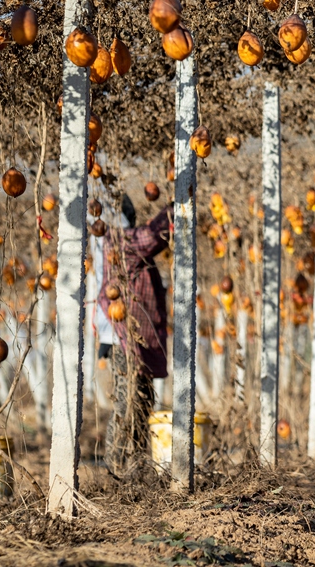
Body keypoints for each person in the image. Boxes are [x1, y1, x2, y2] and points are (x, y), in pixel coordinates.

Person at [97, 194, 172, 473]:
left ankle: (136, 466)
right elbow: (150, 238)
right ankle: (117, 467)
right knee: (127, 402)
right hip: (126, 340)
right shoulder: (119, 242)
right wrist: (174, 209)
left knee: (141, 402)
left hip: (136, 339)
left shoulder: (117, 242)